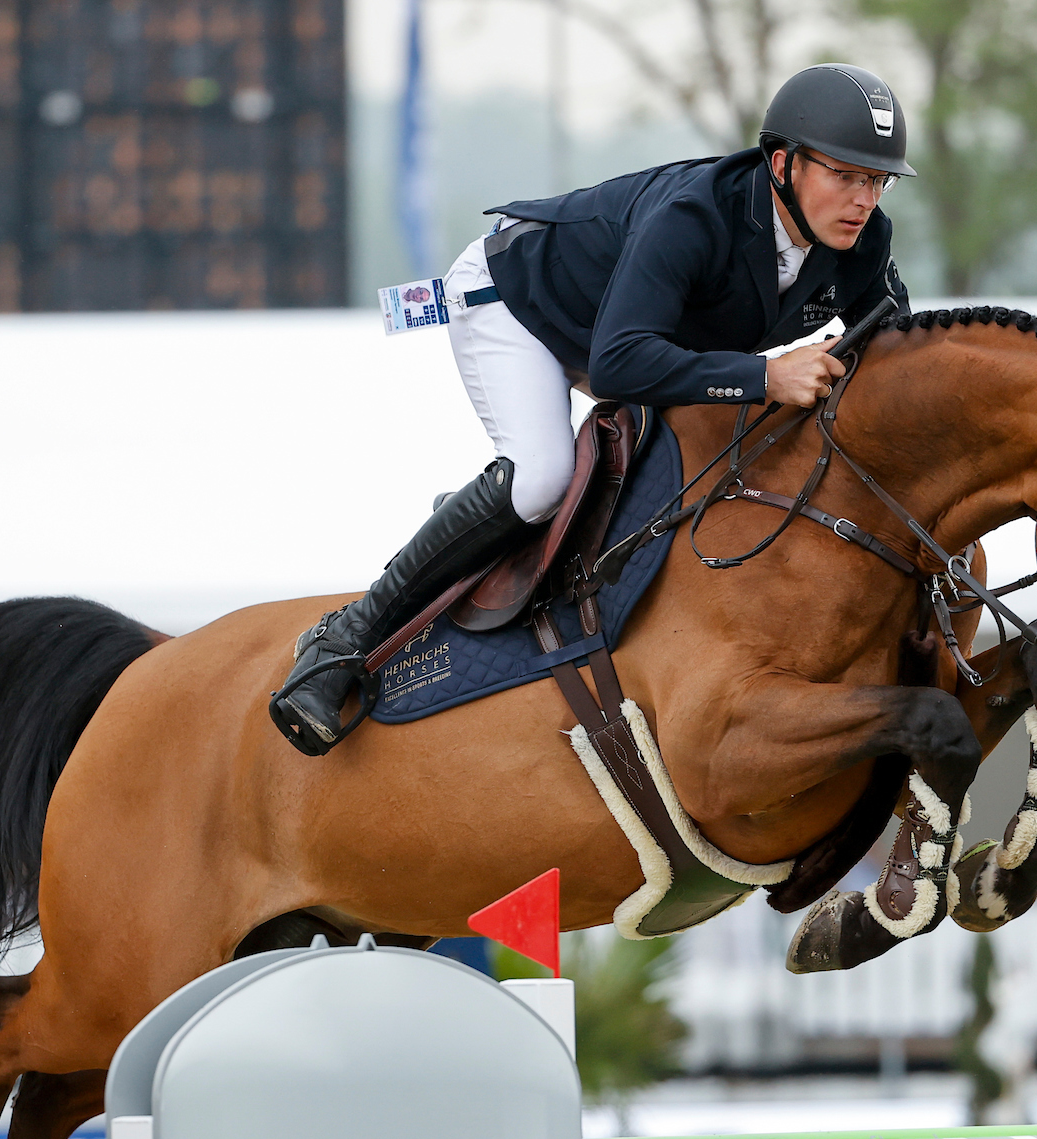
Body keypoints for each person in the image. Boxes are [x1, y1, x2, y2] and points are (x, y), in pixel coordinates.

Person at [270, 64, 916, 755]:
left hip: (625, 334)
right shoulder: (695, 216)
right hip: (519, 303)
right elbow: (618, 367)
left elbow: (892, 344)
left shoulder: (862, 239)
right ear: (783, 164)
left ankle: (488, 531)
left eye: (875, 181)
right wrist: (765, 374)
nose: (862, 199)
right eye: (844, 176)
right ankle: (342, 641)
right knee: (540, 476)